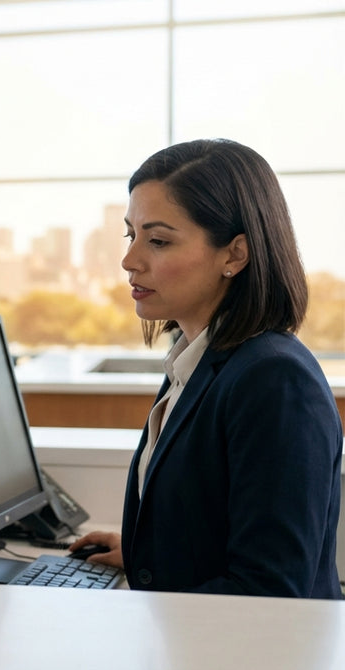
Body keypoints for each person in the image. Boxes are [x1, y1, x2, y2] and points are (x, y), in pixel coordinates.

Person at [69, 138, 341, 598]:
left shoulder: (274, 380)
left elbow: (270, 593)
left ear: (234, 255)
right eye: (130, 235)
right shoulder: (196, 359)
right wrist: (145, 552)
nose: (130, 260)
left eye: (157, 240)